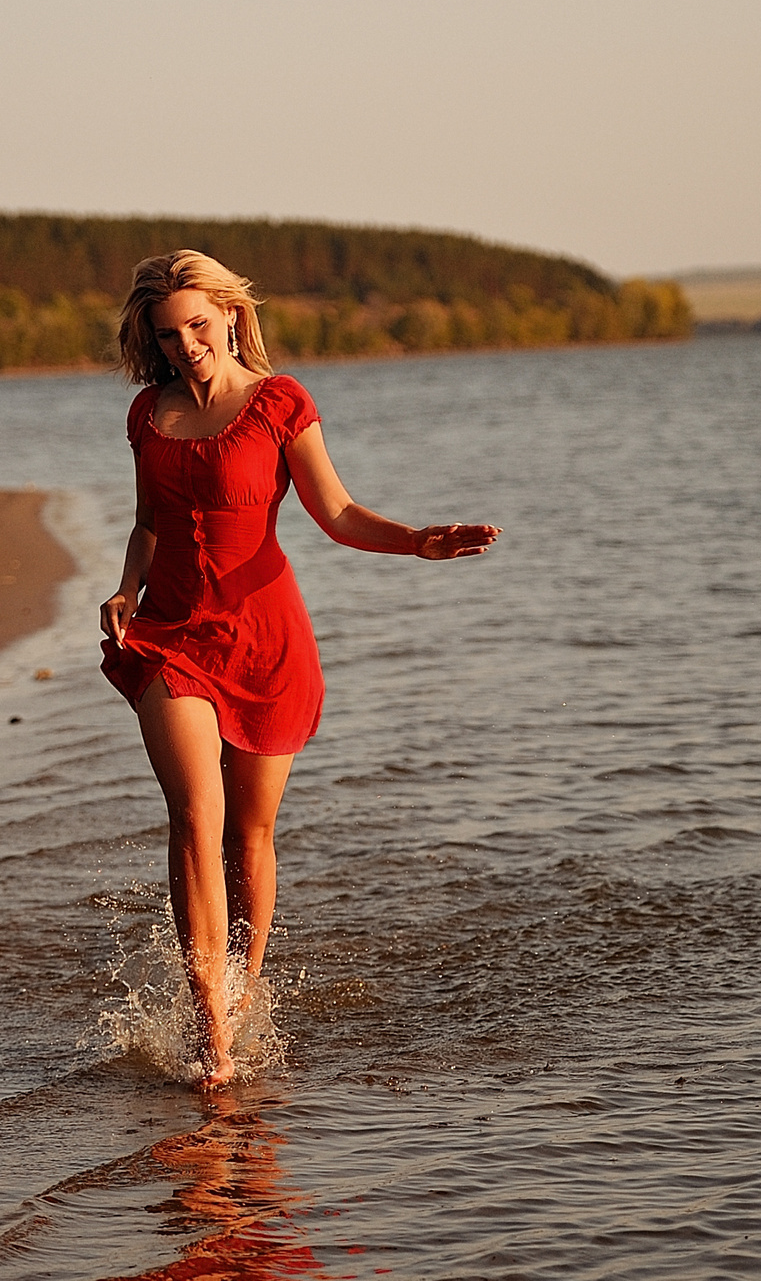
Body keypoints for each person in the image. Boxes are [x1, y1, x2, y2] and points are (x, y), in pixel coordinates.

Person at [99, 250, 498, 1088]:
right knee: (194, 816)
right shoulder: (148, 414)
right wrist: (127, 586)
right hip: (172, 634)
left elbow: (338, 512)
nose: (186, 346)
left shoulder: (280, 403)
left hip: (265, 639)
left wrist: (417, 541)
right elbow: (148, 522)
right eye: (168, 335)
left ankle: (244, 989)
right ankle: (210, 1025)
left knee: (249, 834)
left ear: (231, 316)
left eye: (198, 326)